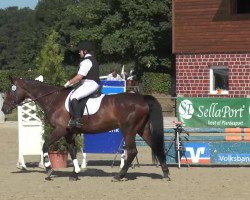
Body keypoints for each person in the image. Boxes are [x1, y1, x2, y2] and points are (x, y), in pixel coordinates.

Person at [64, 41, 100, 128]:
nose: (79, 52)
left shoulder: (86, 61)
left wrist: (68, 83)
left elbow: (78, 77)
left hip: (90, 84)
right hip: (89, 83)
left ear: (85, 51)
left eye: (80, 51)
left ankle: (77, 120)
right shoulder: (92, 60)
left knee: (73, 97)